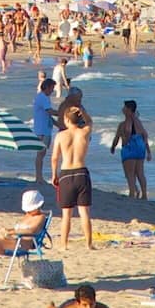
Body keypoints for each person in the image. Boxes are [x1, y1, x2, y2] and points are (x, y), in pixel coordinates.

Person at [51, 107, 95, 250]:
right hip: (81, 172)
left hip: (66, 174)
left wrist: (54, 174)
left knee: (66, 215)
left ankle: (64, 245)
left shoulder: (60, 136)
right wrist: (83, 111)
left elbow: (54, 158)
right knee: (84, 213)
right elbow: (90, 121)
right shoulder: (84, 132)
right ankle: (88, 244)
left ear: (67, 120)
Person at [110, 100, 150, 200]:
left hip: (130, 148)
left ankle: (132, 193)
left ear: (129, 110)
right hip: (140, 148)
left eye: (124, 107)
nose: (122, 109)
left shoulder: (124, 123)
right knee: (140, 173)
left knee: (129, 173)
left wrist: (114, 147)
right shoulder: (138, 122)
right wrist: (148, 151)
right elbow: (145, 135)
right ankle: (144, 195)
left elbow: (123, 133)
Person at [32, 79, 57, 183]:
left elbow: (48, 115)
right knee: (40, 154)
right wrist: (63, 113)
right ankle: (38, 177)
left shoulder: (43, 97)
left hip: (44, 129)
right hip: (42, 130)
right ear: (47, 87)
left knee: (42, 154)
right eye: (52, 88)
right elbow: (50, 111)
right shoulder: (43, 97)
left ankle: (39, 177)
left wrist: (58, 124)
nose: (53, 90)